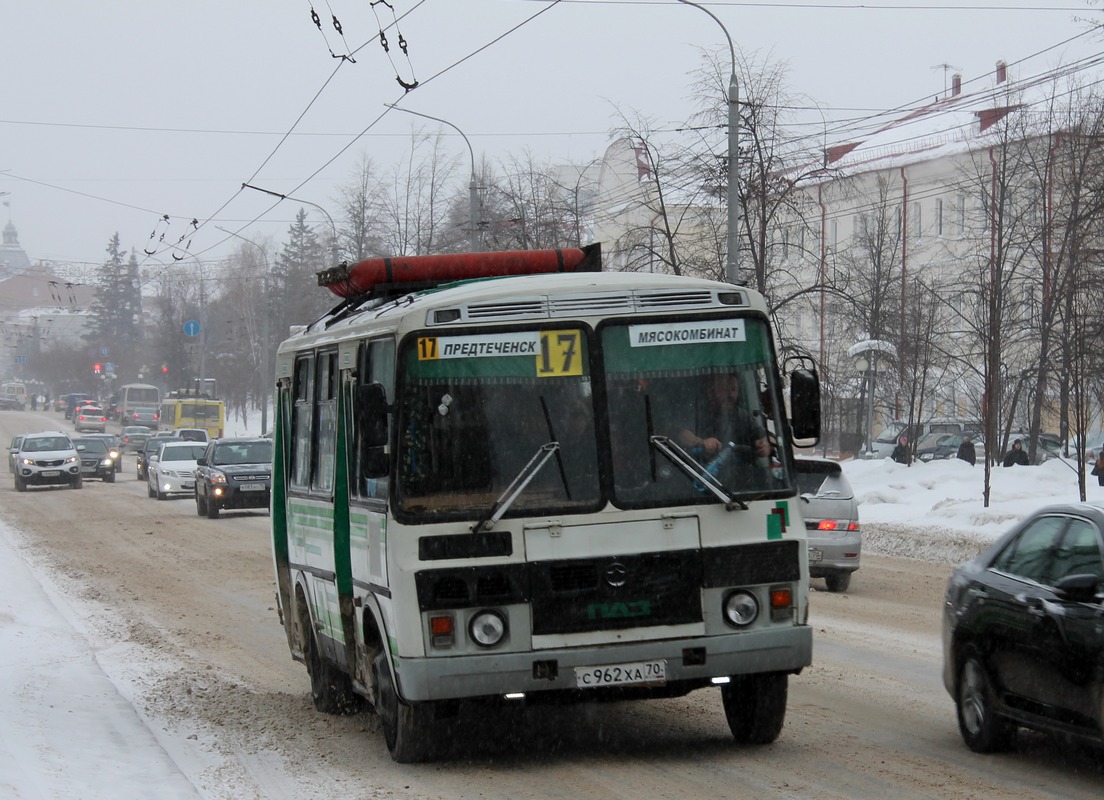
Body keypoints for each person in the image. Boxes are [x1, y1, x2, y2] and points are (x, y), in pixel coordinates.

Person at [678, 373, 770, 463]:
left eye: (733, 390)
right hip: (698, 470)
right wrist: (702, 443)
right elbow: (683, 435)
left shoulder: (741, 415)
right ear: (710, 392)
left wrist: (764, 446)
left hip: (736, 472)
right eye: (724, 389)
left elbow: (761, 437)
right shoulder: (697, 412)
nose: (730, 395)